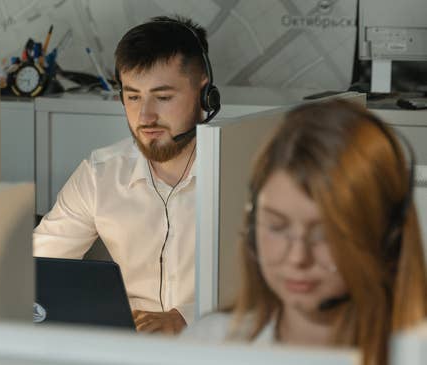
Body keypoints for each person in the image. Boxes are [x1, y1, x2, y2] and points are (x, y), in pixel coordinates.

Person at [183, 99, 427, 365]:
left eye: (325, 234)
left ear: (386, 237)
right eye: (277, 227)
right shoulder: (209, 344)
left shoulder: (414, 354)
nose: (298, 257)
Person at [33, 15, 220, 335]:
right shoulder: (100, 174)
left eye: (163, 97)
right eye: (133, 97)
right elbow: (38, 269)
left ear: (203, 90)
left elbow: (281, 287)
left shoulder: (246, 171)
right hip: (126, 345)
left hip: (221, 344)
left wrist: (187, 317)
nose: (145, 117)